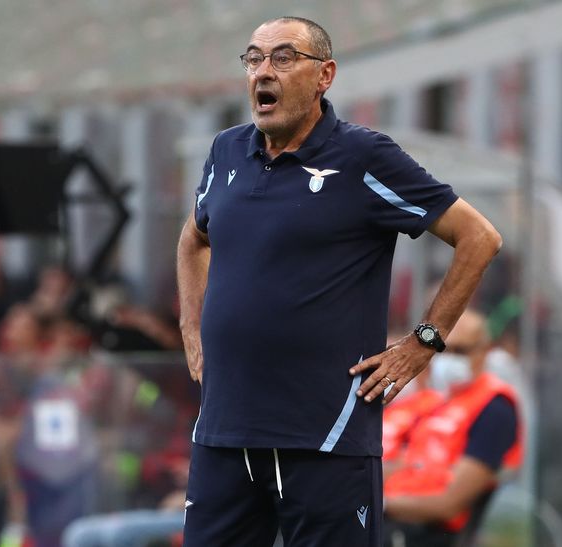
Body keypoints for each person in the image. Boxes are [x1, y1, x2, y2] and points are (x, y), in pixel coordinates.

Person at [175, 15, 502, 546]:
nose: (264, 71)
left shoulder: (362, 157)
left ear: (324, 75)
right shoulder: (227, 151)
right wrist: (192, 325)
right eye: (254, 58)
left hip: (324, 436)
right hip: (223, 433)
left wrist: (424, 342)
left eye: (283, 57)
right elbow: (194, 238)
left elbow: (479, 237)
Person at [383, 310, 522, 546]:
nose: (447, 358)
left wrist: (380, 504)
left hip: (428, 533)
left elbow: (450, 504)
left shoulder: (495, 408)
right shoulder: (433, 401)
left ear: (485, 351)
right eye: (442, 349)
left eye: (460, 350)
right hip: (393, 521)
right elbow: (397, 463)